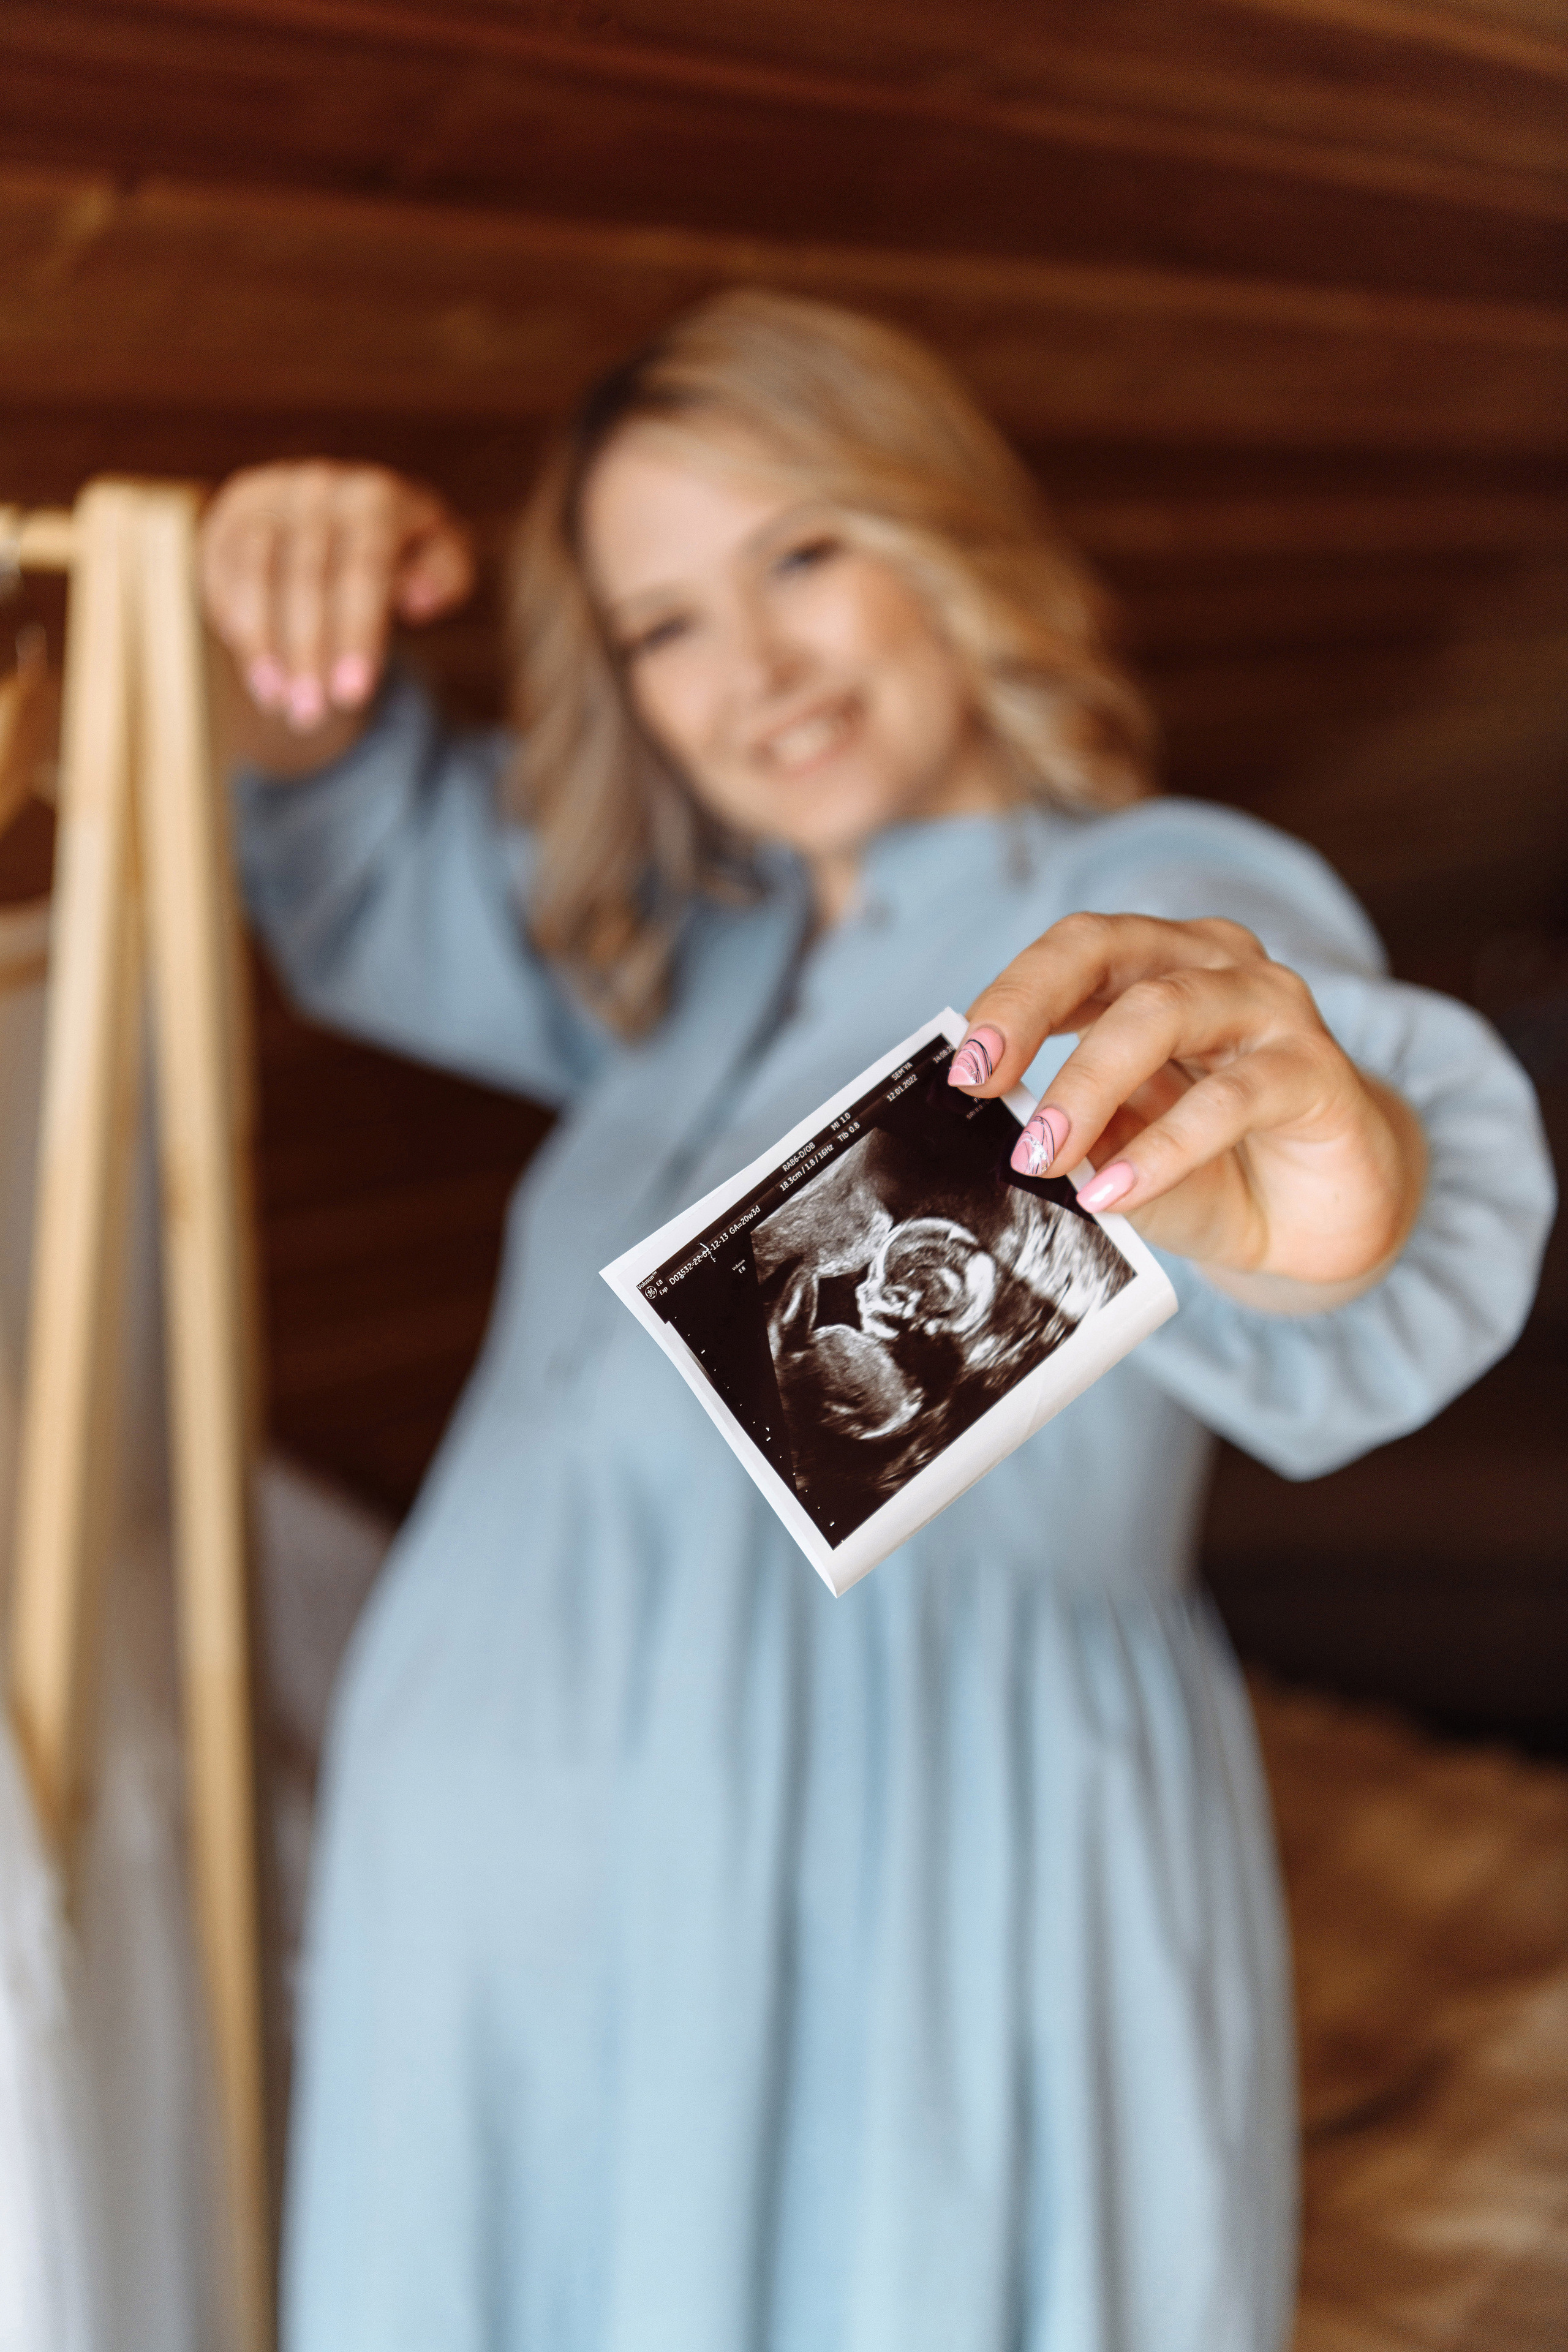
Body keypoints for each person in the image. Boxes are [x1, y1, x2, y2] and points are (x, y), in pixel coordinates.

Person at [200, 291, 1553, 2352]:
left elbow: (1300, 1163)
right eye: (660, 626)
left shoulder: (1131, 879)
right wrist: (280, 624)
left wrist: (1336, 1185)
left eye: (798, 555)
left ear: (937, 532)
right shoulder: (687, 972)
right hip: (500, 1955)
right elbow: (372, 870)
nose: (747, 669)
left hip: (889, 1877)